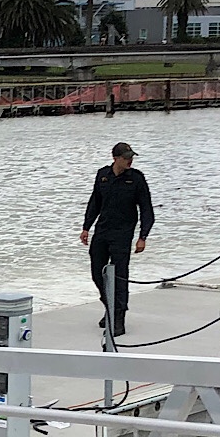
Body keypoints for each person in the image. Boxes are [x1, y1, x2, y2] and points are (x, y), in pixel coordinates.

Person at [80, 140, 155, 337]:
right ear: (115, 158)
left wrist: (143, 236)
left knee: (119, 276)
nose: (130, 161)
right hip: (102, 231)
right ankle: (110, 307)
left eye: (131, 157)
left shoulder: (136, 178)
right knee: (97, 273)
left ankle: (119, 319)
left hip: (123, 235)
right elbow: (94, 203)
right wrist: (86, 227)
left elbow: (147, 209)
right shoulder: (102, 175)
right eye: (126, 157)